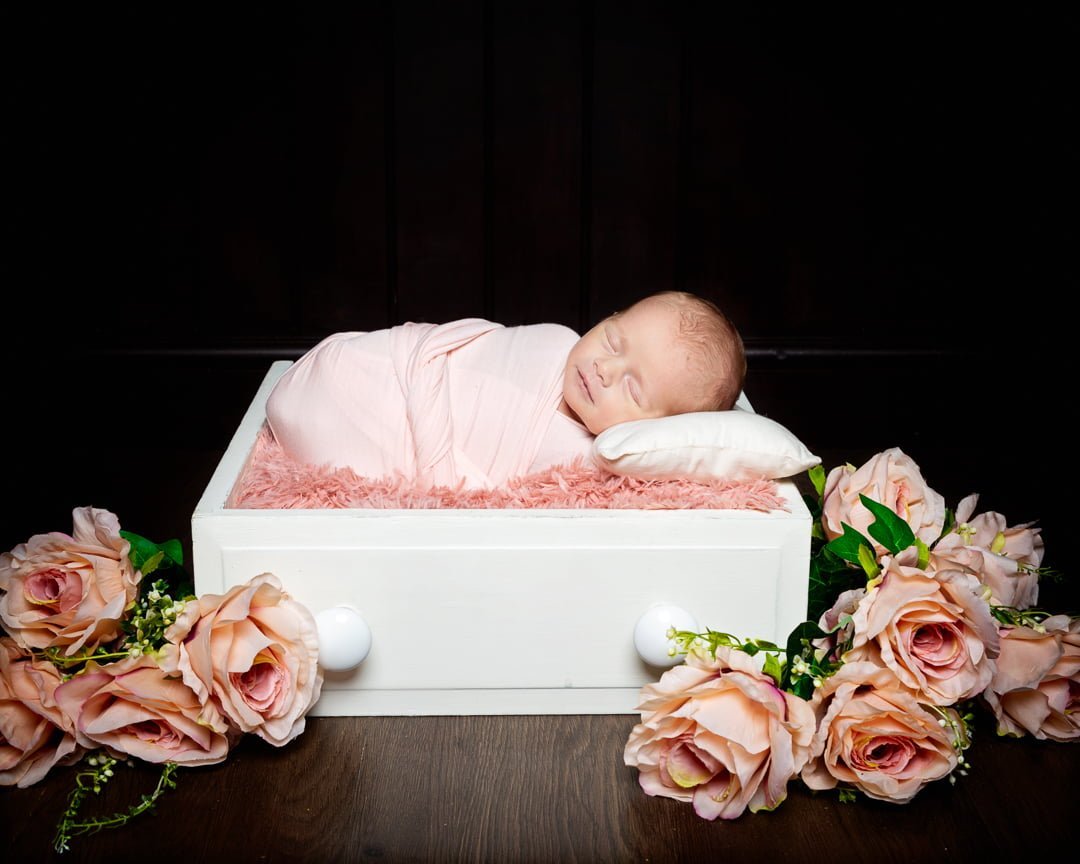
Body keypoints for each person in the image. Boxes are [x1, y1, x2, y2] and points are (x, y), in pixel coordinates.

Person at [265, 290, 745, 490]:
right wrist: (415, 357)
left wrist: (439, 472)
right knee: (345, 370)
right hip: (384, 367)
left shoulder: (586, 460)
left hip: (382, 429)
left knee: (343, 432)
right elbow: (449, 343)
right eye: (613, 339)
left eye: (633, 389)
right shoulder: (557, 339)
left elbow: (482, 494)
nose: (603, 368)